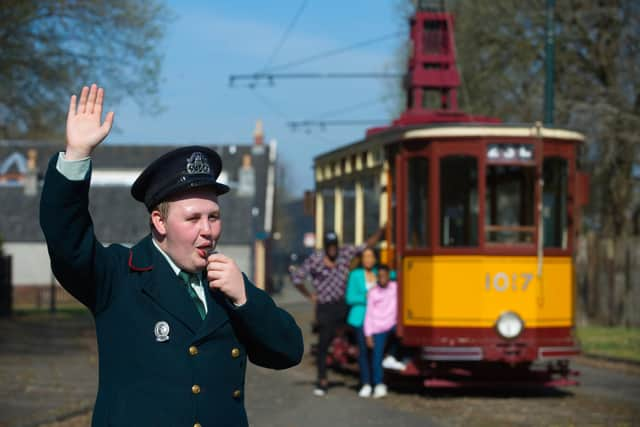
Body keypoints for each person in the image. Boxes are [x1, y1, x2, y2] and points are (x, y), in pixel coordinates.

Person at [39, 84, 303, 427]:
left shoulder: (226, 282)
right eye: (193, 218)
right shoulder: (118, 275)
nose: (207, 230)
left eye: (214, 216)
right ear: (159, 222)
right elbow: (67, 240)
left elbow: (287, 352)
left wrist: (245, 298)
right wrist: (75, 156)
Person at [291, 228, 384, 396]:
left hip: (343, 304)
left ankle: (367, 379)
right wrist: (309, 295)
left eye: (335, 245)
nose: (333, 249)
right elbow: (297, 277)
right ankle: (322, 380)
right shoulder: (316, 259)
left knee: (359, 338)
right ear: (325, 247)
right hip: (325, 307)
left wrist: (382, 230)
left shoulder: (345, 253)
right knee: (324, 344)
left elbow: (365, 246)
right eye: (330, 246)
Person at [363, 264, 401, 398]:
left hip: (392, 324)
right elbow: (368, 315)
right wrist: (368, 334)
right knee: (376, 356)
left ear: (388, 276)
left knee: (403, 334)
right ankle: (378, 383)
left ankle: (391, 356)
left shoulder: (395, 288)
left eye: (384, 275)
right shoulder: (373, 292)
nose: (382, 278)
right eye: (379, 276)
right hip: (377, 327)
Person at [345, 247, 378, 397]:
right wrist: (368, 296)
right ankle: (365, 382)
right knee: (363, 351)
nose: (368, 259)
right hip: (361, 318)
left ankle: (377, 382)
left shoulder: (381, 273)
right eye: (365, 257)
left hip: (378, 319)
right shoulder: (355, 275)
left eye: (370, 256)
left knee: (377, 351)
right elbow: (350, 297)